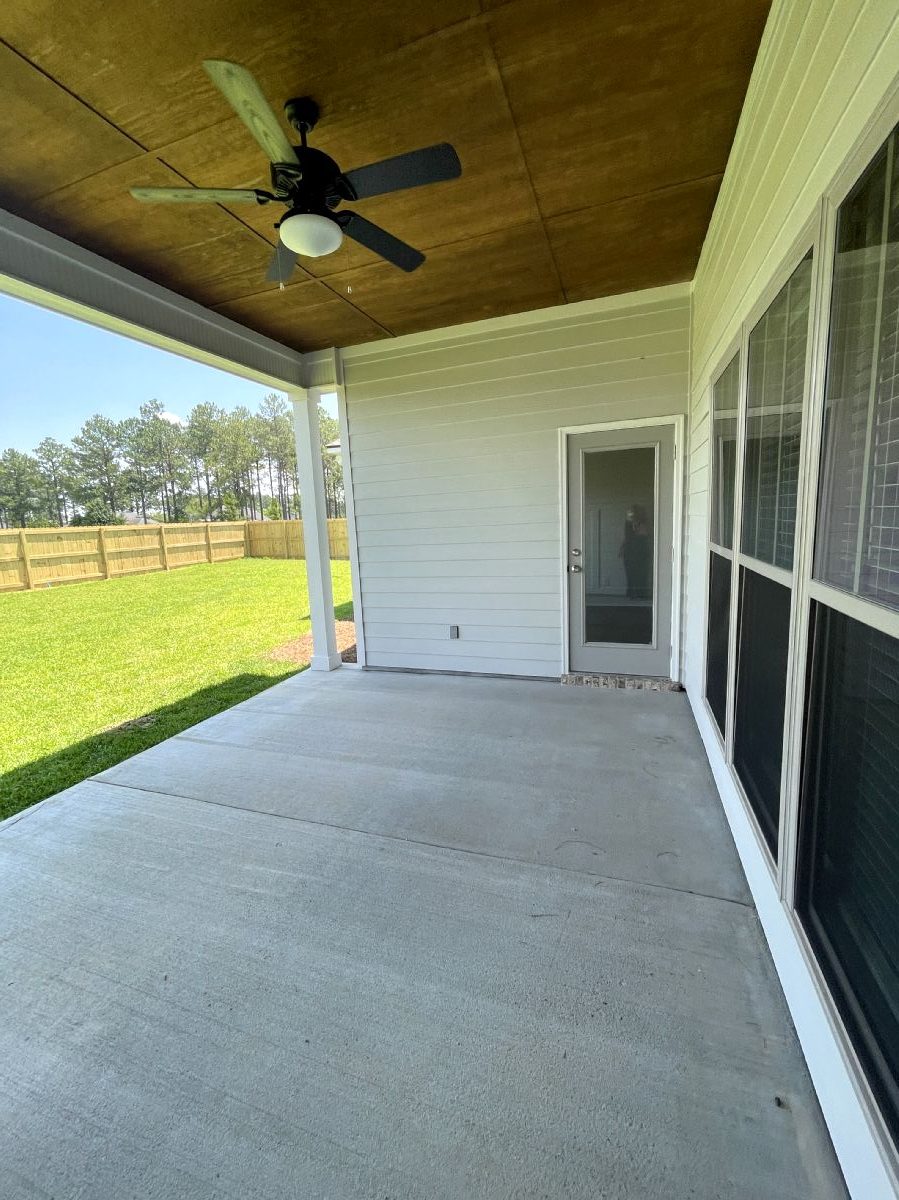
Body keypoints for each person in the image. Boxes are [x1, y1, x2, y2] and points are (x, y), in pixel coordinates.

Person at [620, 504, 651, 600]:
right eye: (629, 514)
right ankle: (631, 593)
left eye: (633, 513)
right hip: (629, 551)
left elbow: (643, 535)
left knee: (640, 573)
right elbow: (627, 537)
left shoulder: (643, 524)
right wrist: (622, 548)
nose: (631, 515)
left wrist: (636, 525)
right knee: (630, 573)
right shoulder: (628, 524)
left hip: (640, 550)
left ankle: (640, 593)